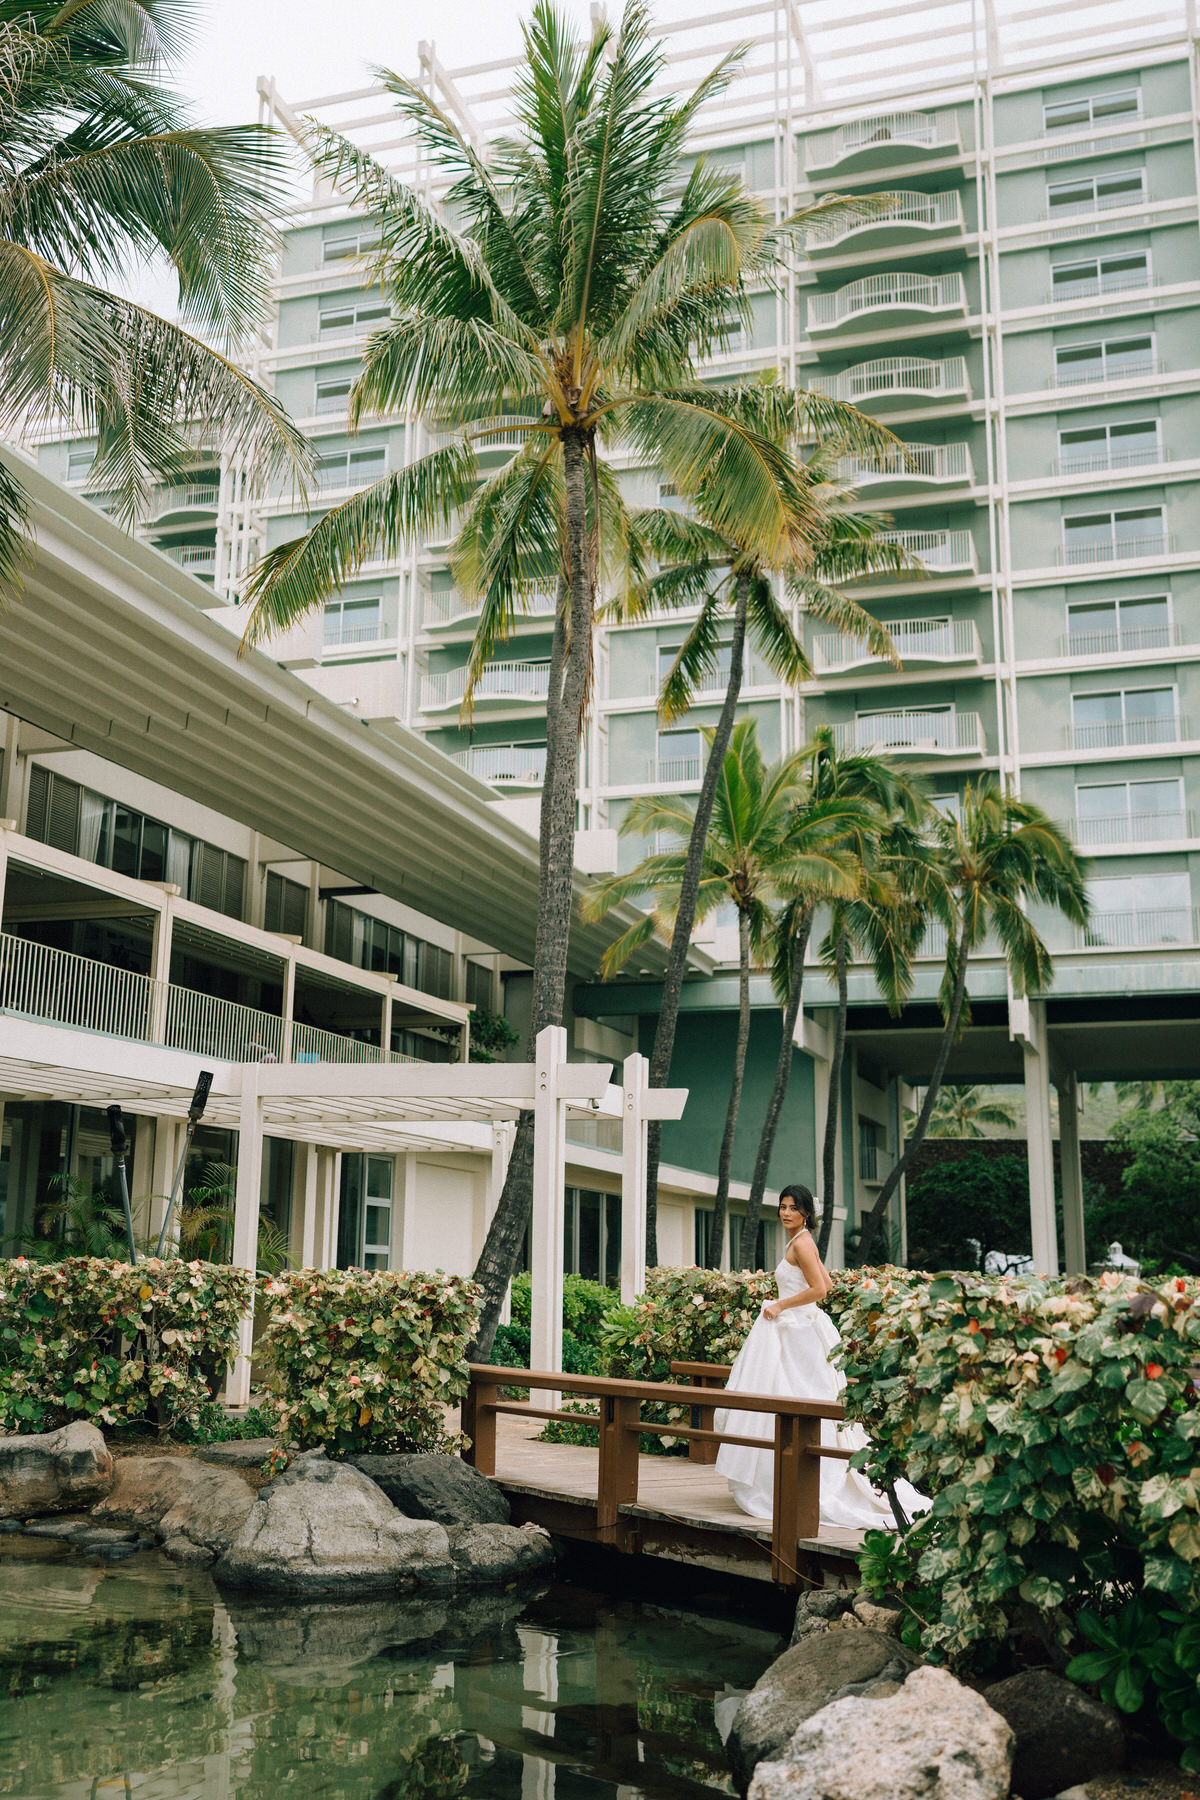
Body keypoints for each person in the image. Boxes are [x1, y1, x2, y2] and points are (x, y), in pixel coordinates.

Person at [714, 1184, 928, 1530]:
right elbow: (824, 1278)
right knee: (783, 1393)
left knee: (797, 1396)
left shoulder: (801, 1242)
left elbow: (821, 1289)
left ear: (806, 1214)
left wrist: (781, 1304)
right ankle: (777, 1476)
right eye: (782, 1207)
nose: (785, 1213)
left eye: (792, 1208)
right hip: (795, 1329)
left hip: (797, 1330)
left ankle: (805, 1480)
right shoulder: (799, 1241)